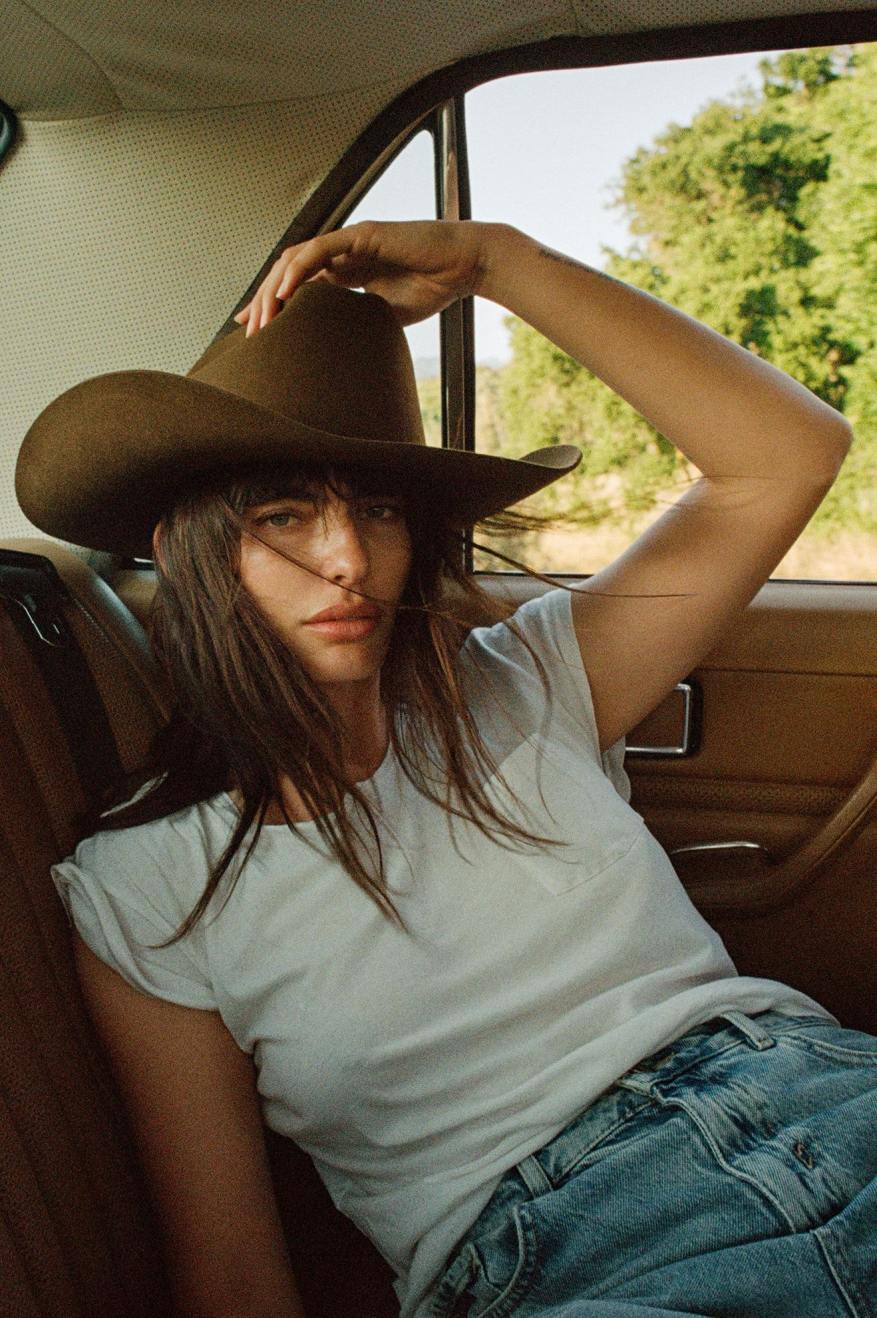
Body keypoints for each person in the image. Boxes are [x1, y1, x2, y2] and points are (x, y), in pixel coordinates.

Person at [16, 218, 875, 1318]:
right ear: (191, 550)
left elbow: (785, 455)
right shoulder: (146, 886)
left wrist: (494, 262)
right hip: (564, 1248)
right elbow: (231, 1271)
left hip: (815, 1091)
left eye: (376, 509)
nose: (348, 557)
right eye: (284, 515)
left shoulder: (528, 680)